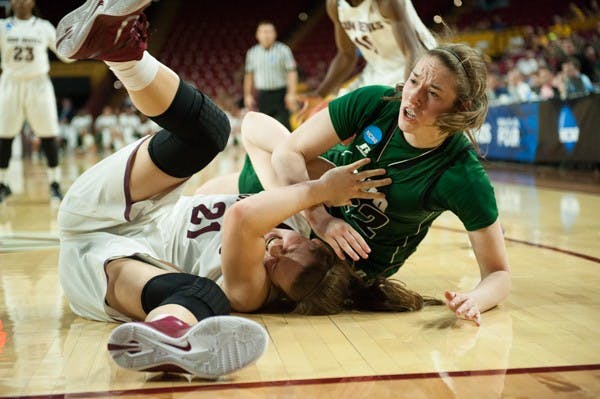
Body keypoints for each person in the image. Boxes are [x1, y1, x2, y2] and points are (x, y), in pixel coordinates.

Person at [55, 0, 422, 379]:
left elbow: (241, 216)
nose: (274, 249)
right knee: (210, 133)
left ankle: (164, 336)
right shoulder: (296, 217)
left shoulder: (251, 290)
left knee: (207, 297)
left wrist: (319, 191)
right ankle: (121, 50)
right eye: (290, 248)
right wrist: (317, 213)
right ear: (314, 243)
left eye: (275, 266)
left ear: (280, 298)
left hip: (109, 265)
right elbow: (254, 126)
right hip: (132, 211)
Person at [202, 42, 512, 326]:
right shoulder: (378, 101)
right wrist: (320, 217)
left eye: (432, 93)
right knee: (217, 181)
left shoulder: (461, 175)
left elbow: (498, 273)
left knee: (211, 201)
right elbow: (285, 150)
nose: (413, 97)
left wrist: (476, 299)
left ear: (459, 109)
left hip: (340, 255)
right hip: (308, 200)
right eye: (414, 80)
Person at [297, 0, 437, 122]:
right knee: (336, 115)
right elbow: (346, 55)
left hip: (417, 68)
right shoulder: (335, 4)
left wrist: (408, 93)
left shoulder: (387, 2)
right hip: (378, 71)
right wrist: (320, 94)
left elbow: (412, 51)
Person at [0, 0, 73, 203]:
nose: (20, 1)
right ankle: (3, 184)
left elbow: (66, 56)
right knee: (4, 136)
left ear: (32, 2)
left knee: (49, 135)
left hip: (39, 84)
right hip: (10, 83)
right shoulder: (2, 26)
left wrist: (81, 45)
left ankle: (55, 183)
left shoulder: (44, 27)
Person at [243, 20, 298, 130]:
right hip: (263, 96)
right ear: (257, 35)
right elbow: (249, 76)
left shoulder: (283, 50)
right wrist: (247, 95)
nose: (266, 35)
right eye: (263, 32)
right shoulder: (252, 53)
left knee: (284, 125)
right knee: (266, 127)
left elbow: (292, 72)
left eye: (269, 31)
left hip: (281, 93)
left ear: (275, 34)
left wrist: (291, 93)